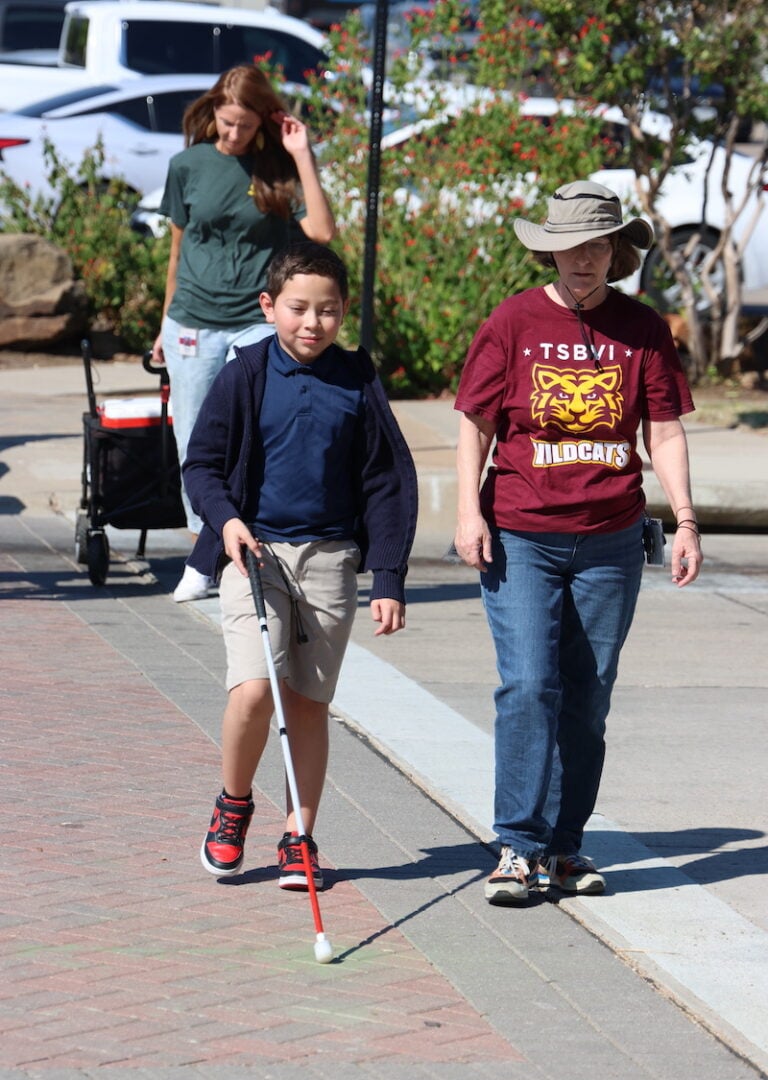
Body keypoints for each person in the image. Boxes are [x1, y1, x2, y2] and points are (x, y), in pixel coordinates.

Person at [453, 180, 703, 906]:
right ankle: (517, 847)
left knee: (586, 700)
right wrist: (469, 512)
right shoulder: (514, 320)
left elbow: (663, 430)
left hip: (612, 541)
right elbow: (474, 422)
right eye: (569, 246)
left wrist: (684, 519)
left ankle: (564, 848)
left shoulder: (643, 328)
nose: (582, 259)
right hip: (521, 534)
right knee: (529, 685)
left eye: (595, 245)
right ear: (549, 249)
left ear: (614, 251)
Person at [182, 241, 418, 889]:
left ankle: (299, 837)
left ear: (343, 313)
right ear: (268, 306)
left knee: (308, 703)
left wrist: (389, 576)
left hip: (331, 560)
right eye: (297, 309)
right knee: (255, 691)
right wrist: (226, 520)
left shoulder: (358, 379)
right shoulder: (247, 373)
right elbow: (201, 464)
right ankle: (233, 804)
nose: (312, 323)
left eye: (329, 310)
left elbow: (387, 481)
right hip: (254, 554)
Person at [151, 64, 336, 603]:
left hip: (255, 320)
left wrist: (301, 153)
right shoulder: (187, 165)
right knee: (195, 438)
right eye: (226, 122)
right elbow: (177, 252)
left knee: (256, 431)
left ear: (265, 121)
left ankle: (237, 547)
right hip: (190, 320)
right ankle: (203, 555)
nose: (233, 134)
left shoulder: (275, 169)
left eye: (245, 126)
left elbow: (322, 233)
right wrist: (163, 323)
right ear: (213, 113)